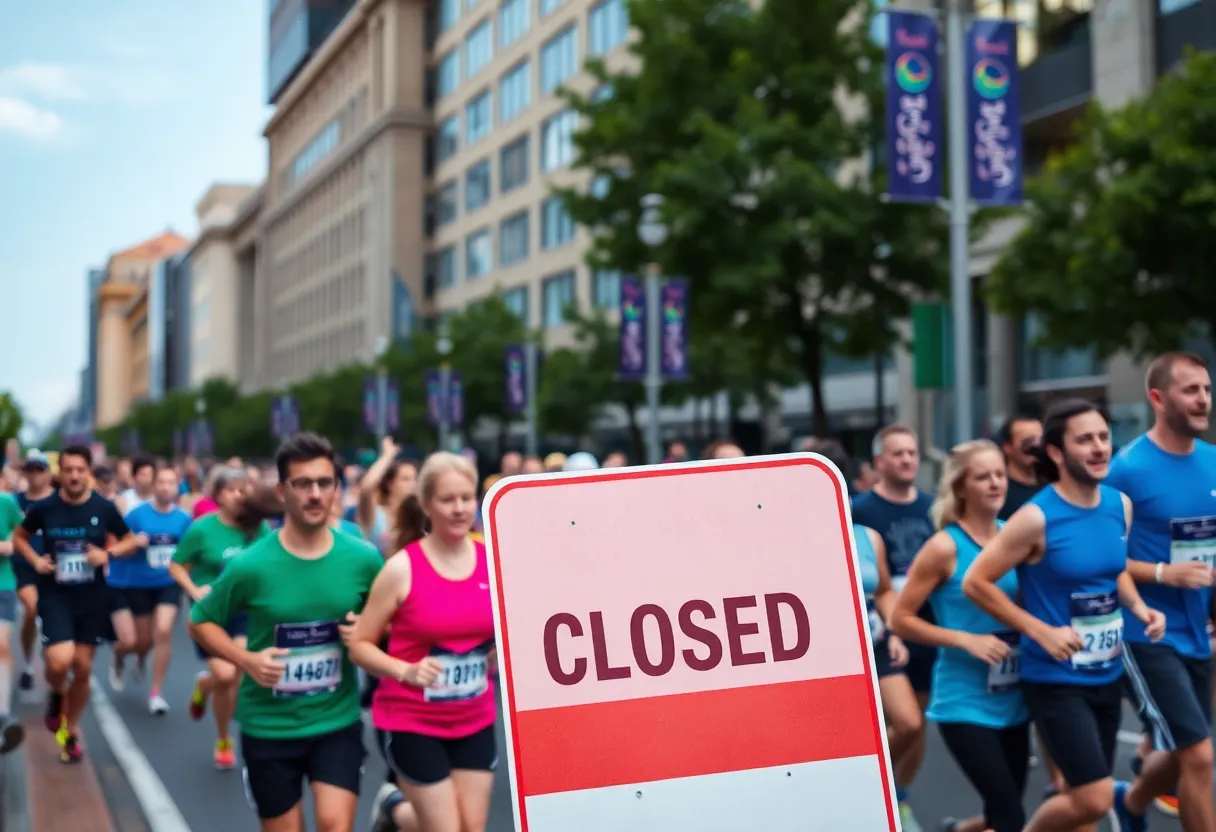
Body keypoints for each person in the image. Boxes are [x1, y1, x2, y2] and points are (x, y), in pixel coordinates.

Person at [963, 399, 1166, 831]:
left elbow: (1111, 572)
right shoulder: (1035, 518)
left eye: (1103, 438)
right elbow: (975, 581)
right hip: (1056, 680)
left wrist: (1139, 607)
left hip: (1105, 673)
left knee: (1082, 804)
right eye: (1085, 440)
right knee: (1094, 798)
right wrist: (1041, 631)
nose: (1098, 448)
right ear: (1056, 452)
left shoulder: (1119, 506)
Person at [189, 433, 383, 831]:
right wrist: (246, 660)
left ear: (336, 488)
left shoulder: (363, 558)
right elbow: (200, 620)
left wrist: (365, 632)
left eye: (324, 483)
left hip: (336, 721)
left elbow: (390, 622)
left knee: (335, 824)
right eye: (303, 484)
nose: (315, 494)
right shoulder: (251, 565)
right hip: (270, 727)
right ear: (282, 491)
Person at [350, 452, 497, 832]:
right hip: (413, 720)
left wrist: (497, 656)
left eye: (467, 497)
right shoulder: (401, 568)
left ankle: (394, 810)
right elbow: (361, 645)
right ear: (427, 504)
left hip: (474, 716)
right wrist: (406, 670)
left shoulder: (492, 562)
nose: (460, 508)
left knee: (471, 826)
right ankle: (395, 807)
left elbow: (495, 640)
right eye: (448, 500)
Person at [891, 440, 1029, 832]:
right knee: (1010, 815)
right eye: (982, 477)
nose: (995, 483)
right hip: (963, 701)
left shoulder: (1014, 535)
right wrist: (965, 640)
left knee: (1002, 811)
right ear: (961, 487)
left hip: (1014, 695)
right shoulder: (944, 547)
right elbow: (901, 618)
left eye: (1000, 474)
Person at [1109, 352, 1216, 830]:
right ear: (1157, 398)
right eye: (1191, 390)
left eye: (1207, 389)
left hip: (1199, 629)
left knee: (1183, 748)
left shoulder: (1213, 462)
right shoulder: (1127, 469)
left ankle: (1130, 803)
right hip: (1146, 632)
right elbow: (1097, 556)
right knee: (1199, 756)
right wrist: (1160, 573)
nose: (1204, 400)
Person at [11, 444, 140, 763]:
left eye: (80, 470)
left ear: (88, 473)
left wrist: (106, 554)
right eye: (68, 470)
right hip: (55, 594)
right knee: (58, 662)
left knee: (82, 668)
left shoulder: (104, 507)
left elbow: (131, 541)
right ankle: (56, 693)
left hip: (92, 596)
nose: (74, 476)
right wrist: (34, 560)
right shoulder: (46, 508)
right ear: (60, 473)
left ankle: (69, 730)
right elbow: (19, 538)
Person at [852, 424, 936, 830]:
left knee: (912, 723)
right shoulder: (856, 512)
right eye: (897, 453)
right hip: (851, 648)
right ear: (878, 462)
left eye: (912, 452)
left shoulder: (875, 534)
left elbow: (884, 589)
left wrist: (896, 629)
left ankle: (892, 794)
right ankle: (860, 792)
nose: (906, 460)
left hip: (897, 637)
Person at [169, 467, 268, 769]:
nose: (240, 495)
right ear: (219, 496)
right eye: (233, 490)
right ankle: (208, 690)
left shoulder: (257, 528)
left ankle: (225, 740)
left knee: (235, 672)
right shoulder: (201, 529)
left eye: (244, 490)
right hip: (211, 614)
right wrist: (193, 590)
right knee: (225, 675)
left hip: (243, 613)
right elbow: (176, 566)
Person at [108, 464, 191, 714]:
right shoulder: (137, 515)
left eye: (171, 483)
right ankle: (121, 656)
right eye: (161, 483)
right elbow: (116, 544)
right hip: (137, 582)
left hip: (167, 583)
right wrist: (133, 542)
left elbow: (189, 553)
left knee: (163, 631)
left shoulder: (184, 519)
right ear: (153, 487)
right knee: (139, 641)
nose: (166, 487)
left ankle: (156, 693)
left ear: (177, 488)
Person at [14, 451, 53, 695]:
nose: (35, 474)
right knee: (32, 608)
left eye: (40, 469)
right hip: (23, 565)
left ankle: (50, 653)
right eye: (30, 469)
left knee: (50, 614)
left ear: (48, 473)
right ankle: (29, 663)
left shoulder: (58, 500)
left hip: (54, 565)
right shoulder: (14, 502)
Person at [0, 489, 26, 752]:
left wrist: (7, 544)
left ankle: (3, 715)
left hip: (2, 584)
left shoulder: (6, 502)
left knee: (1, 645)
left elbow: (22, 537)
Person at [997, 416, 1043, 521]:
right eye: (1027, 442)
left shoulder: (1054, 483)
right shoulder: (998, 490)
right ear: (1007, 447)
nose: (1036, 446)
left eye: (1040, 441)